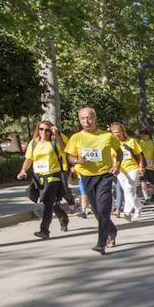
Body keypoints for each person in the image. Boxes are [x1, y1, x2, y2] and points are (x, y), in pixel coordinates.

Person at [65, 107, 122, 254]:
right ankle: (112, 230)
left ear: (95, 119)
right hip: (86, 176)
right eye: (83, 118)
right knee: (97, 211)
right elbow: (69, 156)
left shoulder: (107, 136)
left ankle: (101, 243)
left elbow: (119, 151)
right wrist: (77, 160)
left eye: (89, 118)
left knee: (103, 208)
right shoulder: (76, 137)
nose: (86, 121)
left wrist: (117, 164)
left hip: (104, 175)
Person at [17, 120, 70, 239]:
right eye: (41, 129)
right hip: (38, 177)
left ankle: (44, 230)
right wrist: (23, 170)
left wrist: (56, 135)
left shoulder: (54, 142)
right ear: (38, 130)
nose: (43, 132)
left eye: (47, 130)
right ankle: (63, 217)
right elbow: (29, 159)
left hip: (53, 177)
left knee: (47, 202)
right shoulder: (33, 143)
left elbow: (66, 150)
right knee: (48, 201)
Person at [109, 122, 144, 222]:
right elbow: (111, 157)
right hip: (120, 170)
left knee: (128, 190)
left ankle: (127, 212)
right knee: (129, 191)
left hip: (133, 168)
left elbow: (139, 155)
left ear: (123, 132)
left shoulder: (131, 141)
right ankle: (139, 207)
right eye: (114, 132)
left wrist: (141, 166)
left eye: (118, 132)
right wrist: (113, 167)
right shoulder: (113, 144)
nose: (117, 134)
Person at [137, 129, 154, 204]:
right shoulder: (138, 143)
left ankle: (153, 194)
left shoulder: (153, 143)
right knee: (143, 182)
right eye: (141, 135)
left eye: (144, 135)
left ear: (148, 135)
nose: (143, 137)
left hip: (151, 166)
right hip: (142, 166)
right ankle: (146, 198)